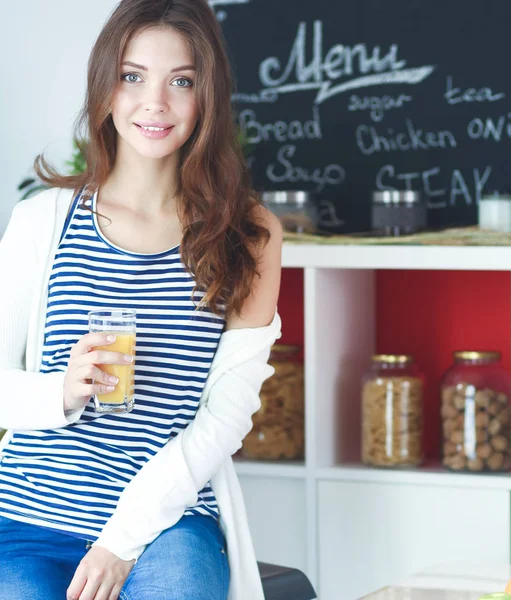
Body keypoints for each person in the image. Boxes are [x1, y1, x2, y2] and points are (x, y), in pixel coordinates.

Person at [0, 0, 283, 599]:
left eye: (181, 82)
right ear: (105, 89)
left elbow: (226, 418)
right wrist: (62, 389)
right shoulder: (41, 222)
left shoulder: (248, 235)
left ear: (208, 98)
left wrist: (120, 540)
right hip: (26, 518)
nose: (155, 103)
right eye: (132, 77)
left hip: (168, 524)